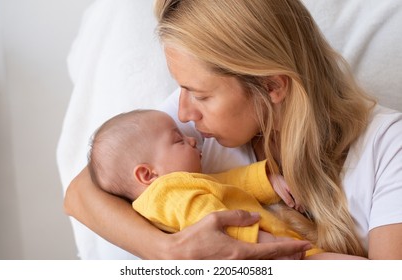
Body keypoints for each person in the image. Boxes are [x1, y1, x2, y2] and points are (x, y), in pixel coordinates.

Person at [63, 0, 402, 259]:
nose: (182, 111)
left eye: (200, 95)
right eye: (181, 89)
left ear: (272, 87)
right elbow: (81, 193)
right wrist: (168, 250)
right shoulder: (184, 140)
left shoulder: (388, 148)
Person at [87, 109, 322, 258]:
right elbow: (214, 223)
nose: (191, 139)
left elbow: (229, 182)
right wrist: (269, 246)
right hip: (273, 251)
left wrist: (268, 180)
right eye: (178, 140)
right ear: (148, 174)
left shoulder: (186, 185)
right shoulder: (167, 194)